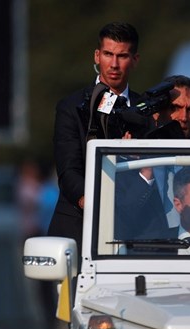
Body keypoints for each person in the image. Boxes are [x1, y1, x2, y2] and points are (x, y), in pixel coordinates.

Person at [48, 22, 140, 250]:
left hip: (135, 234)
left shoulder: (146, 110)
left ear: (135, 60)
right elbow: (68, 171)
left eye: (123, 56)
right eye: (108, 54)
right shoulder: (71, 107)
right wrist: (94, 204)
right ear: (97, 56)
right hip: (78, 231)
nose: (115, 64)